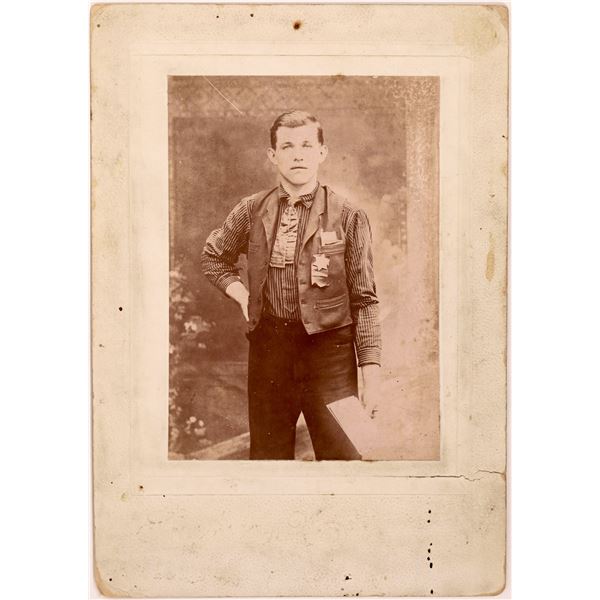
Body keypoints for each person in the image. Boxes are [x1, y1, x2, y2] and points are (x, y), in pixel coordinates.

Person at [201, 110, 381, 460]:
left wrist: (371, 378)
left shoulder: (349, 215)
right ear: (273, 155)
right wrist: (242, 294)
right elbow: (213, 257)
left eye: (306, 145)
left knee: (346, 460)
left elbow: (365, 300)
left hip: (331, 354)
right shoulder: (251, 210)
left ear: (322, 152)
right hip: (271, 351)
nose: (298, 155)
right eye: (287, 146)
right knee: (268, 461)